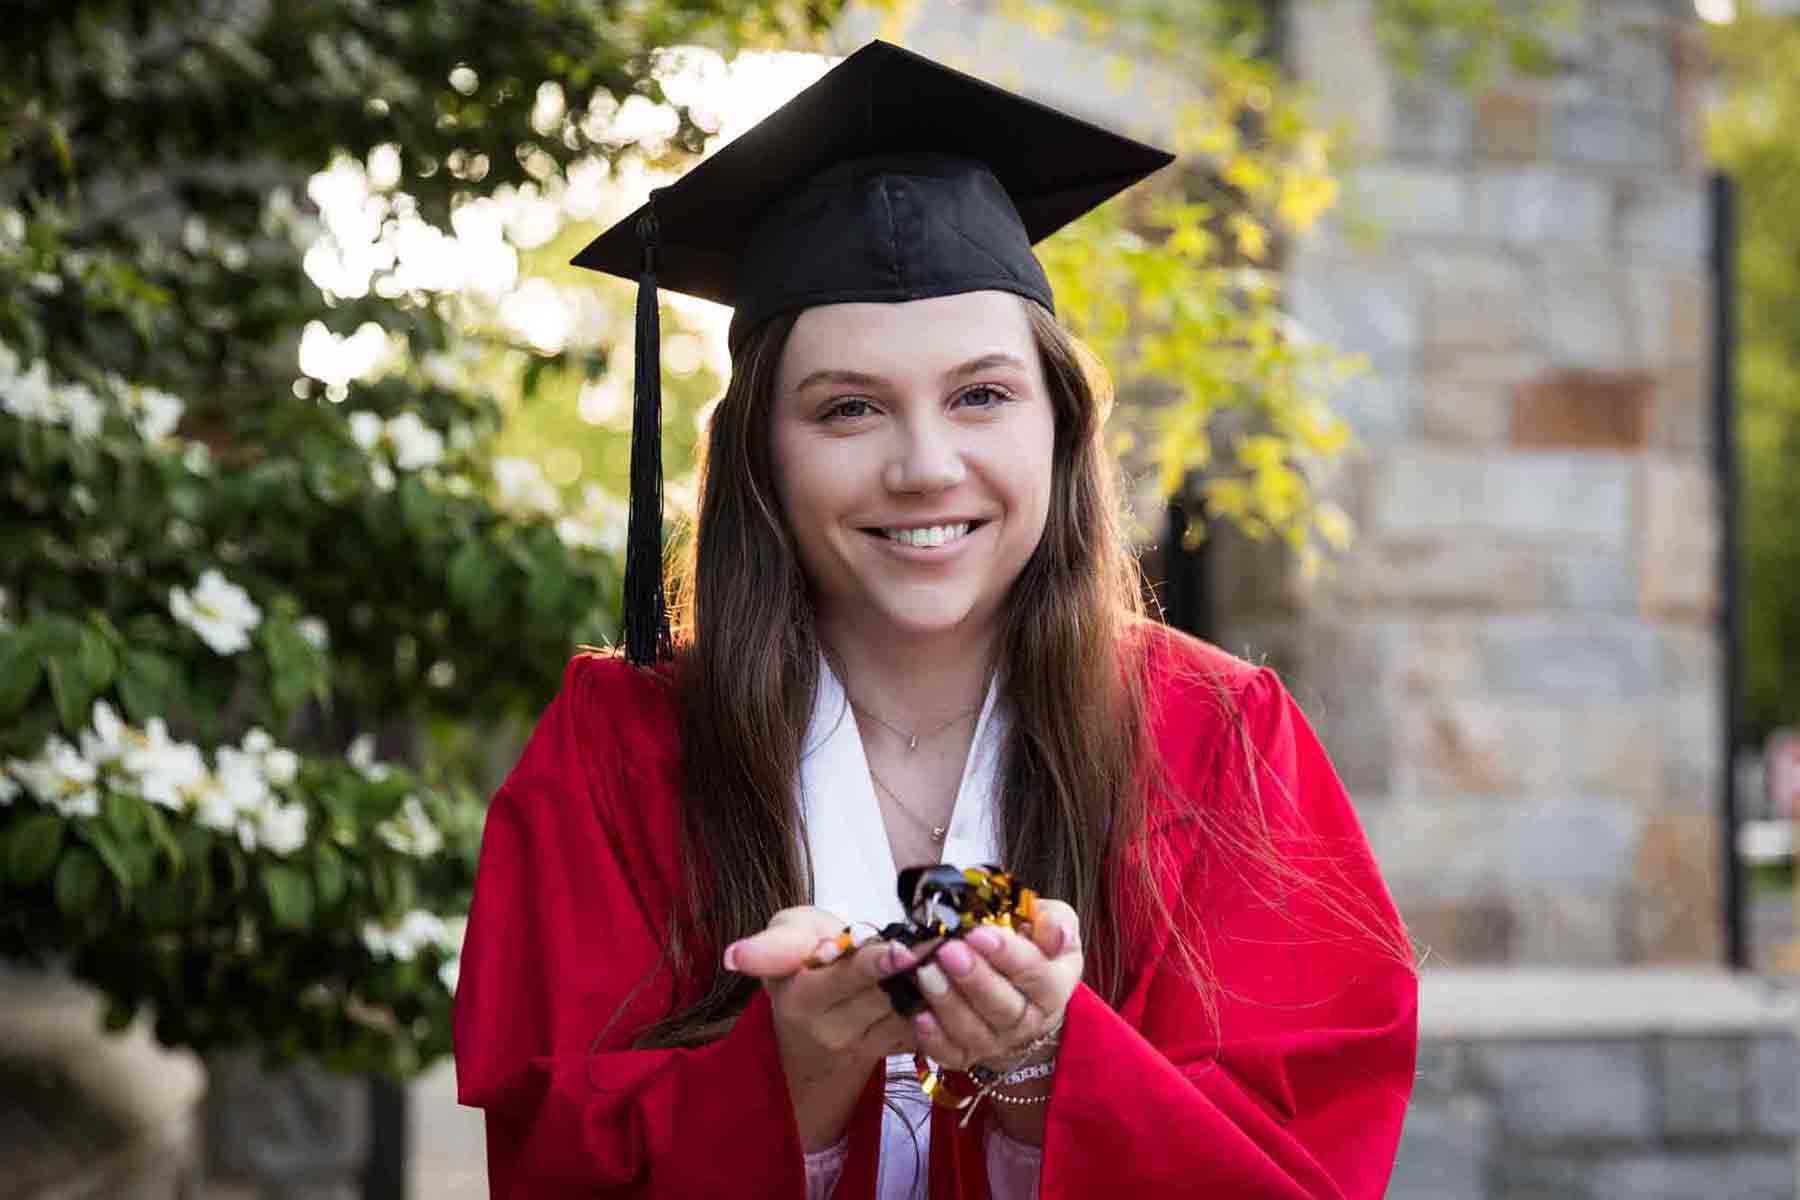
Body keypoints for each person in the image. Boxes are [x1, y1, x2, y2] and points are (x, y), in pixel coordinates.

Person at [452, 39, 1418, 1199]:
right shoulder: (619, 756)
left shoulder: (1218, 739)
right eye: (849, 407)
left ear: (1060, 425)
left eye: (982, 395)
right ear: (761, 454)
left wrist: (1053, 1061)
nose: (925, 465)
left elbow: (1303, 1167)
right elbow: (554, 1168)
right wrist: (796, 1067)